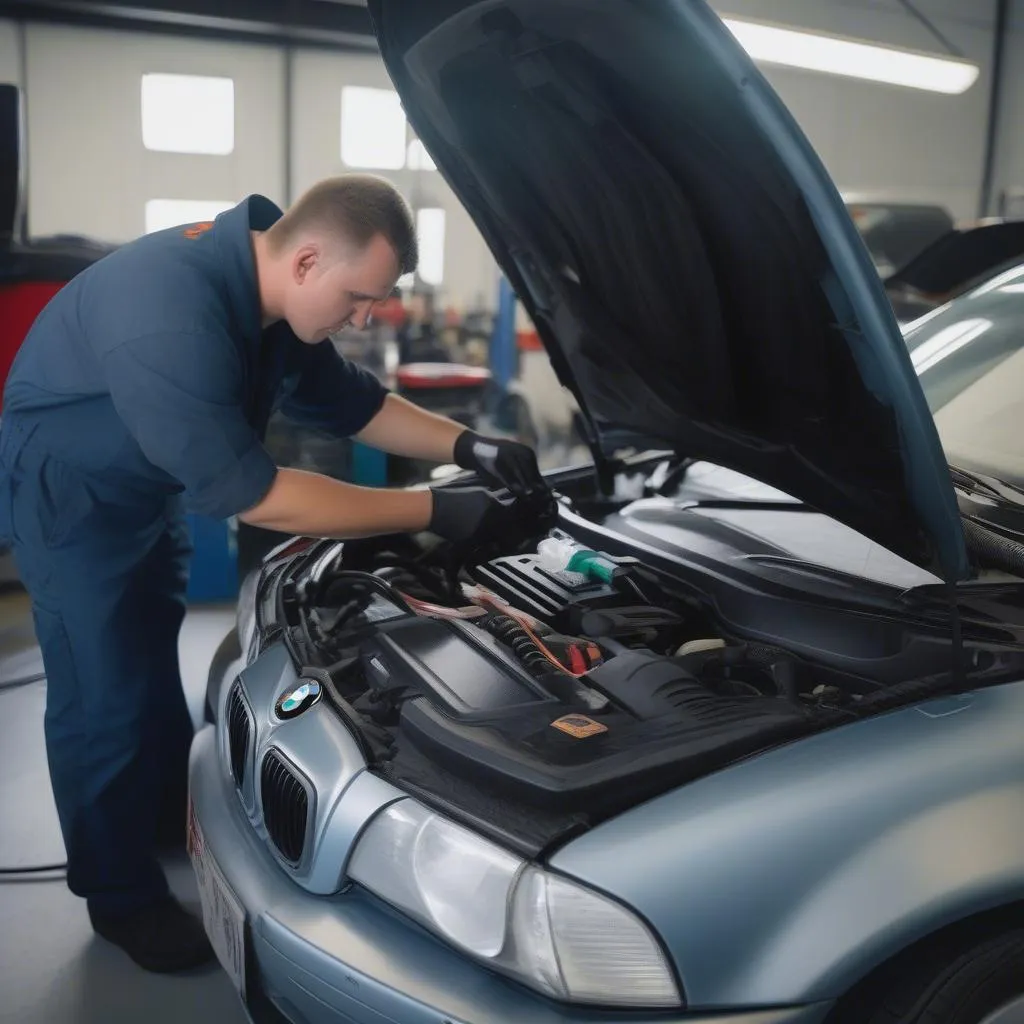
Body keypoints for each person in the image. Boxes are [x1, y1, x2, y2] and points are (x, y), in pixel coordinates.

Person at [0, 175, 548, 973]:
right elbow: (258, 497)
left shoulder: (271, 297)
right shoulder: (169, 313)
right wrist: (433, 511)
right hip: (74, 498)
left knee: (150, 657)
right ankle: (117, 895)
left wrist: (470, 448)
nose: (364, 318)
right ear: (307, 261)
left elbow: (355, 405)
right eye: (360, 298)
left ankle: (151, 815)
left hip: (146, 484)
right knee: (100, 696)